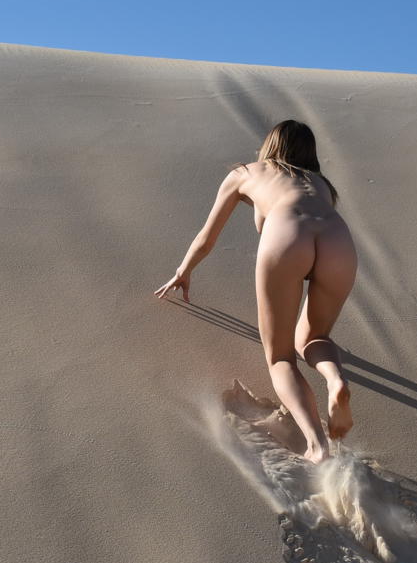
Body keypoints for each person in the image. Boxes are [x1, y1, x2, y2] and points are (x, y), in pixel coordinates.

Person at [154, 120, 359, 464]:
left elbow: (207, 237)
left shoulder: (245, 173)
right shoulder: (321, 184)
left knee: (280, 358)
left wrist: (183, 271)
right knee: (314, 337)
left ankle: (317, 445)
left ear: (270, 145)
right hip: (338, 239)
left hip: (287, 233)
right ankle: (335, 380)